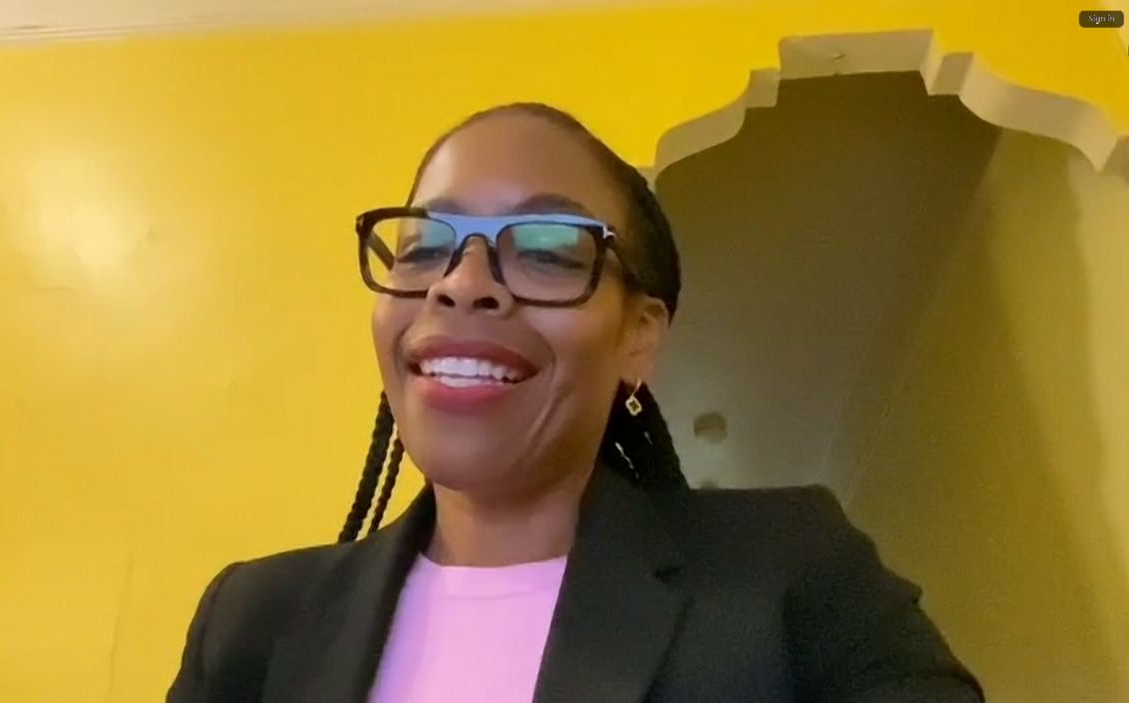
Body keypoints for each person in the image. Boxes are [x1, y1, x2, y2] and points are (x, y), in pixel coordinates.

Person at [167, 103, 984, 702]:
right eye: (424, 246)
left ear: (639, 337)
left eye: (549, 251)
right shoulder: (253, 621)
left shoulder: (790, 567)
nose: (461, 284)